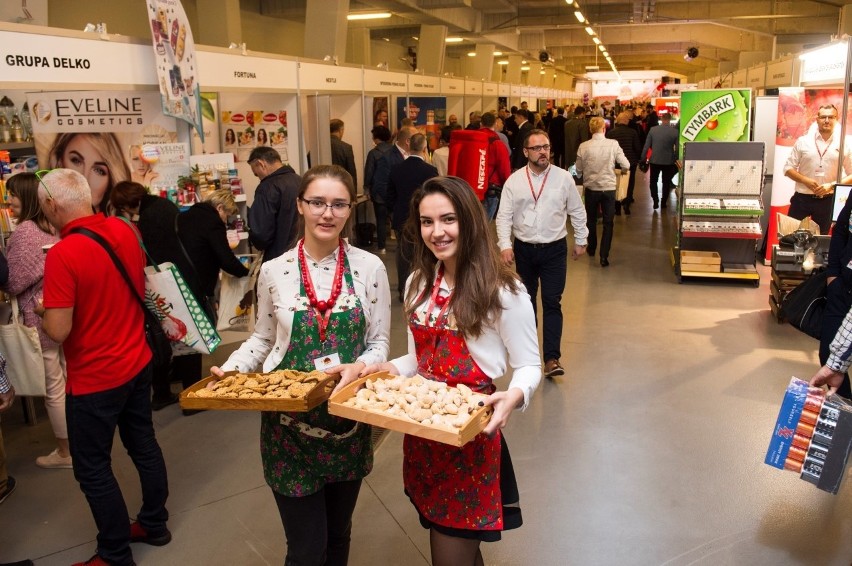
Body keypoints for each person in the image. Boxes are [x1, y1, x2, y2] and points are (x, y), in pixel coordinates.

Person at [211, 164, 391, 566]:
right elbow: (261, 337)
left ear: (350, 208)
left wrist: (360, 366)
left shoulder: (369, 268)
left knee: (339, 536)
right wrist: (235, 368)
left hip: (347, 424)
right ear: (300, 205)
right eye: (317, 202)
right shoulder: (275, 271)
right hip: (287, 428)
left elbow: (378, 342)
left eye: (338, 204)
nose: (327, 213)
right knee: (307, 549)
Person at [364, 176, 541, 566]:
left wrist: (514, 395)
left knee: (451, 550)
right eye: (427, 222)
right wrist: (383, 368)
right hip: (424, 435)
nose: (437, 232)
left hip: (471, 440)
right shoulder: (418, 282)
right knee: (454, 541)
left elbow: (529, 364)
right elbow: (418, 361)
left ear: (470, 220)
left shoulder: (503, 290)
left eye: (448, 219)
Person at [37, 169, 170, 566]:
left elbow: (58, 331)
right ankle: (154, 523)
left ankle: (114, 554)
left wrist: (46, 310)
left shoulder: (62, 254)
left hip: (95, 377)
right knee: (143, 445)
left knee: (92, 468)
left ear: (50, 205)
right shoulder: (124, 229)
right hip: (137, 360)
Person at [496, 129, 589, 379]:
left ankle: (551, 359)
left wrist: (581, 238)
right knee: (525, 305)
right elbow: (504, 215)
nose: (543, 152)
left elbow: (577, 211)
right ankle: (529, 356)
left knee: (552, 302)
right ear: (526, 152)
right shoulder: (514, 181)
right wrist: (505, 244)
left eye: (546, 147)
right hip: (524, 250)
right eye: (537, 148)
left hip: (555, 250)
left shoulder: (563, 178)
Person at [2, 173, 70, 468]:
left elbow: (13, 282)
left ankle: (67, 453)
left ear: (27, 197)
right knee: (67, 382)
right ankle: (79, 443)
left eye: (12, 195)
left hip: (38, 318)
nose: (8, 201)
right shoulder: (54, 227)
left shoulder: (25, 233)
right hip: (61, 312)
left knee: (54, 388)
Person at [784, 104, 852, 234]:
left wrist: (832, 186)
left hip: (827, 201)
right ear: (817, 119)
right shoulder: (803, 141)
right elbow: (788, 169)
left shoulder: (844, 144)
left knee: (820, 243)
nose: (827, 120)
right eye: (823, 117)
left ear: (836, 119)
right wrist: (805, 180)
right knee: (790, 238)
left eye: (831, 117)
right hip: (801, 199)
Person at [387, 133, 438, 303]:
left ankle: (403, 289)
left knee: (403, 254)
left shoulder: (396, 169)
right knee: (426, 253)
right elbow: (434, 196)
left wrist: (394, 213)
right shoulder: (430, 171)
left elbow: (390, 196)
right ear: (425, 148)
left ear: (409, 146)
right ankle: (425, 287)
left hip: (401, 218)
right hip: (424, 219)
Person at [575, 117, 630, 267]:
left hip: (591, 189)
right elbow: (626, 164)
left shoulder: (583, 146)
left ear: (590, 130)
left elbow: (578, 170)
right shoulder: (613, 144)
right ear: (604, 129)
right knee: (608, 223)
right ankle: (604, 256)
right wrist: (621, 170)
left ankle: (591, 248)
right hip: (609, 188)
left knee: (590, 220)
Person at [47, 132, 131, 214]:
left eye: (99, 170)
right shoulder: (44, 224)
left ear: (109, 184)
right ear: (60, 162)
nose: (84, 178)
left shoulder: (119, 226)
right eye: (76, 161)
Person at [366, 125, 416, 254]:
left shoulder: (411, 154)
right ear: (408, 140)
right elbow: (381, 182)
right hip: (392, 204)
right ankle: (382, 247)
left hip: (406, 206)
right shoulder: (387, 156)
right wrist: (393, 205)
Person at [247, 146, 301, 262]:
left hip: (279, 257)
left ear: (261, 164)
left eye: (256, 174)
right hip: (303, 253)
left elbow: (261, 234)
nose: (258, 178)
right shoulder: (300, 180)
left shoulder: (267, 187)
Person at [606, 111, 642, 215]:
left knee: (616, 183)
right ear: (626, 121)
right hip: (630, 162)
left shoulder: (611, 133)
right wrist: (638, 158)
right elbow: (637, 148)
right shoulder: (632, 132)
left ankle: (617, 207)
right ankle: (627, 203)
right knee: (630, 183)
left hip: (616, 163)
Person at [640, 112, 679, 210]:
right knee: (666, 182)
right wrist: (675, 158)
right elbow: (677, 148)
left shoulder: (653, 130)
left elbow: (646, 146)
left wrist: (642, 158)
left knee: (653, 181)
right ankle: (663, 202)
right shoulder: (674, 132)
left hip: (655, 160)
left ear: (661, 119)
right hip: (668, 161)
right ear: (670, 120)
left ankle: (655, 200)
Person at [480, 111, 512, 220]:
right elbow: (504, 168)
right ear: (495, 124)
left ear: (481, 123)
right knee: (484, 223)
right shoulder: (498, 143)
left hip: (472, 187)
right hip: (491, 187)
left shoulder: (473, 141)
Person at [330, 119, 357, 188]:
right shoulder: (346, 147)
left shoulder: (319, 146)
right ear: (340, 130)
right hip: (341, 185)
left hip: (323, 185)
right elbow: (351, 173)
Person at [563, 106, 590, 170]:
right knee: (577, 176)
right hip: (578, 153)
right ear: (582, 113)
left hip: (568, 152)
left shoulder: (567, 123)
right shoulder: (582, 124)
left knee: (570, 173)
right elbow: (584, 141)